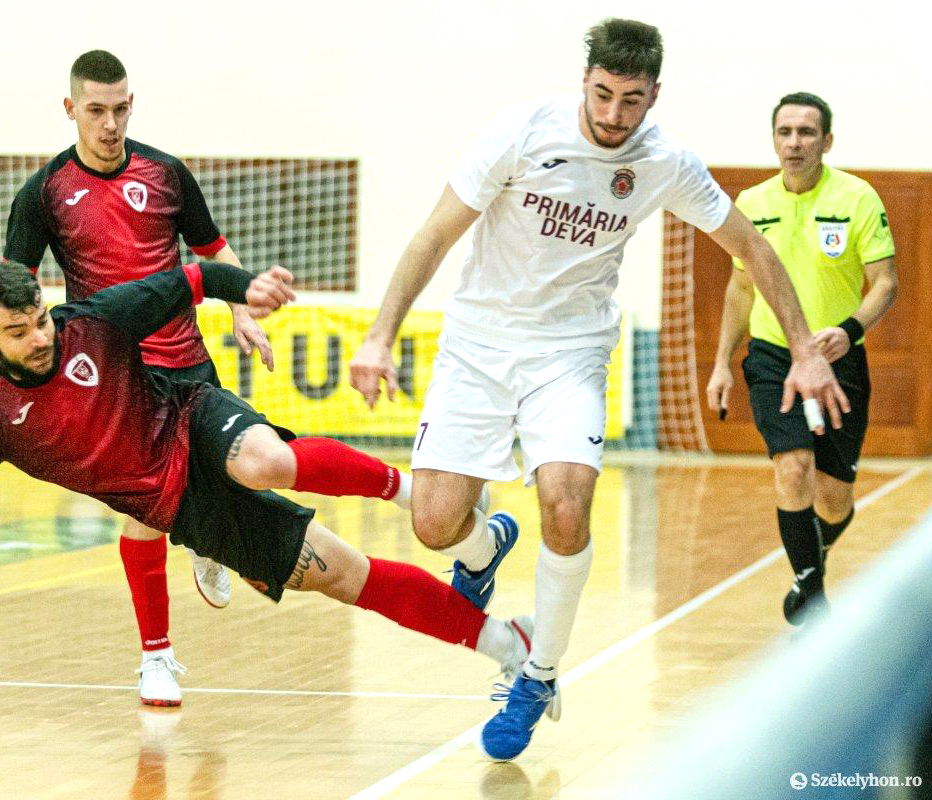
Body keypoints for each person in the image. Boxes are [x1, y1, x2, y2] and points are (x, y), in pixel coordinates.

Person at [348, 18, 849, 762]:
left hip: (570, 353)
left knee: (567, 501)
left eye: (631, 100)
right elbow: (434, 235)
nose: (615, 114)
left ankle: (539, 672)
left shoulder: (665, 160)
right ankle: (487, 546)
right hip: (479, 345)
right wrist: (380, 335)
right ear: (584, 81)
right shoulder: (522, 131)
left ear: (655, 95)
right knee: (435, 524)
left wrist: (804, 347)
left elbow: (752, 246)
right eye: (604, 94)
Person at [0, 261, 530, 696]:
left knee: (264, 460)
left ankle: (411, 492)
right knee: (346, 576)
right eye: (19, 332)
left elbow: (188, 282)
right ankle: (509, 644)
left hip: (193, 421)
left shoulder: (93, 323)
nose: (41, 337)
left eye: (40, 320)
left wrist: (245, 288)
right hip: (182, 510)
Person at [3, 49, 271, 705]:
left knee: (245, 467)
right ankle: (155, 658)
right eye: (96, 110)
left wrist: (241, 307)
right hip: (115, 377)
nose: (110, 124)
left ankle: (204, 536)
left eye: (120, 109)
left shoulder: (167, 174)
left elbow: (212, 249)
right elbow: (15, 288)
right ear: (70, 109)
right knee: (145, 509)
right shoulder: (43, 194)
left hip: (187, 358)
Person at [706, 92, 897, 626]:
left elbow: (886, 282)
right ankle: (812, 596)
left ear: (826, 141)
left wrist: (850, 331)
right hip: (774, 356)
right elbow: (741, 289)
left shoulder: (857, 198)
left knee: (834, 500)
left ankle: (810, 558)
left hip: (839, 360)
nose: (794, 143)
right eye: (785, 132)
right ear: (774, 140)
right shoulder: (752, 203)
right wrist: (722, 362)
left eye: (807, 132)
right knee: (793, 470)